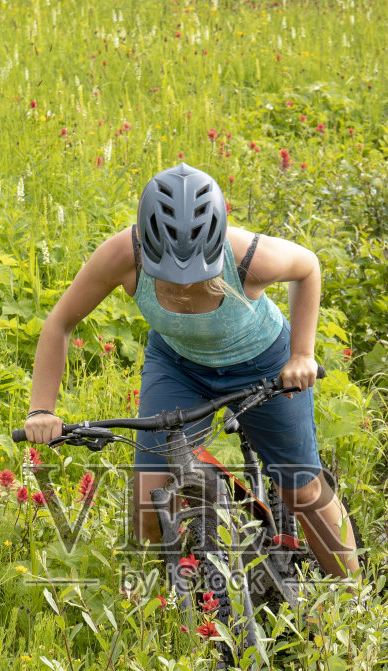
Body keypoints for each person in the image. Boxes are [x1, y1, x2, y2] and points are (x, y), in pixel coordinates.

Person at [21, 163, 359, 577]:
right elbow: (59, 324)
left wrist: (302, 354)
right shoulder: (120, 257)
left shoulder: (251, 258)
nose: (180, 288)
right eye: (167, 278)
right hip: (179, 366)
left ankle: (352, 601)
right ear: (144, 249)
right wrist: (41, 409)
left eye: (195, 277)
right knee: (150, 503)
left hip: (264, 362)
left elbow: (307, 267)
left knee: (301, 488)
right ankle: (171, 612)